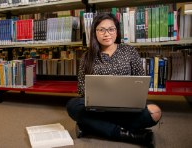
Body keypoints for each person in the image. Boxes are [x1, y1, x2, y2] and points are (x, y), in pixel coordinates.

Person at [66, 13, 161, 147]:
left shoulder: (129, 51)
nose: (107, 34)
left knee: (155, 112)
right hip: (98, 108)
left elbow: (140, 81)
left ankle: (91, 126)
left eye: (111, 29)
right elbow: (81, 87)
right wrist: (98, 93)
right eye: (101, 30)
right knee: (72, 105)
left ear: (116, 31)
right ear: (95, 32)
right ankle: (128, 134)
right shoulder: (88, 56)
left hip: (126, 107)